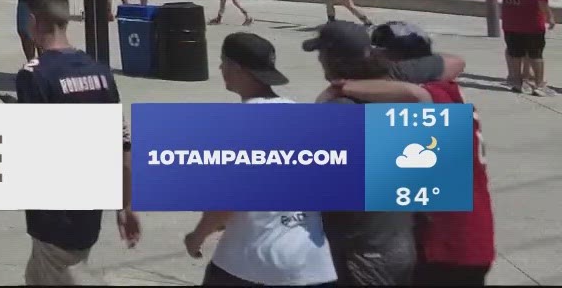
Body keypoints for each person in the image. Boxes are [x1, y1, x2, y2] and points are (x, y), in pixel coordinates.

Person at [182, 33, 335, 287]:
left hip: (252, 265)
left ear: (236, 68)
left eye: (223, 62)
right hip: (313, 264)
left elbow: (226, 201)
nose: (220, 68)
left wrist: (196, 237)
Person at [350, 26, 494, 285]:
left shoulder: (426, 101)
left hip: (446, 245)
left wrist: (342, 89)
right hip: (465, 240)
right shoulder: (444, 89)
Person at [17, 0, 139, 285]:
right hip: (89, 207)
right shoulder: (99, 72)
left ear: (33, 21)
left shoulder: (35, 75)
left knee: (65, 272)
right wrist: (125, 204)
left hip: (53, 211)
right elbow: (123, 145)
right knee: (39, 275)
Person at [303, 22, 416, 285]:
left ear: (331, 58)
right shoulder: (394, 97)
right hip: (398, 242)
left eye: (321, 53)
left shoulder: (340, 109)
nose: (319, 59)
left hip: (360, 251)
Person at [488, 0, 552, 95]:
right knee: (535, 54)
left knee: (515, 53)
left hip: (510, 21)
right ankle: (539, 85)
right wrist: (550, 17)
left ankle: (517, 82)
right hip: (532, 21)